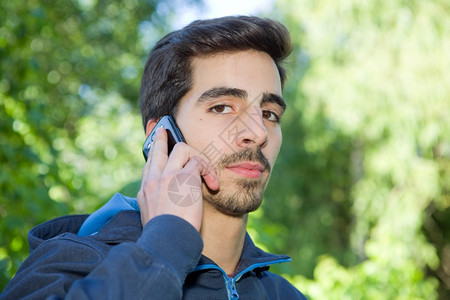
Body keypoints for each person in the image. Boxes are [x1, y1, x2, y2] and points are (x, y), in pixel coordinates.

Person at [1, 16, 307, 299]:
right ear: (162, 136)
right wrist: (166, 247)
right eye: (222, 107)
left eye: (269, 114)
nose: (258, 133)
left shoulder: (286, 295)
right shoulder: (64, 266)